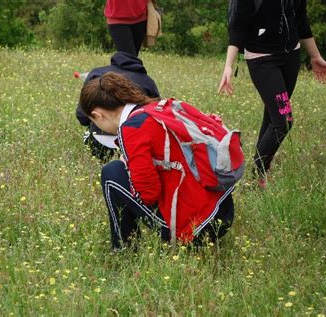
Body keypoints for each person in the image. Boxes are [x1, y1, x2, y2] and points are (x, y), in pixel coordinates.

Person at [79, 72, 235, 250]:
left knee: (112, 173)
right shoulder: (159, 108)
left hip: (197, 229)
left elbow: (148, 194)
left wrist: (130, 170)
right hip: (223, 210)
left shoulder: (132, 129)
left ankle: (123, 249)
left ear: (98, 115)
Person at [218, 0, 326, 187]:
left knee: (273, 117)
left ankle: (260, 171)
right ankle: (257, 173)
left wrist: (315, 56)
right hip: (262, 59)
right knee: (284, 120)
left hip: (291, 57)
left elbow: (301, 21)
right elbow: (239, 26)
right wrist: (228, 66)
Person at [75, 51, 159, 161]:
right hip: (138, 141)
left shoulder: (96, 73)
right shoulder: (147, 80)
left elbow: (82, 116)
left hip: (104, 142)